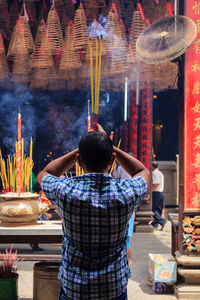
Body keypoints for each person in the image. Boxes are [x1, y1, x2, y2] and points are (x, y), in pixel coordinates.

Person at [37, 124, 150, 300]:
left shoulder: (66, 191)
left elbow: (46, 173)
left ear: (80, 161)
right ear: (112, 160)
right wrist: (111, 148)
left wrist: (82, 149)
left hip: (75, 289)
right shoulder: (125, 193)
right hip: (113, 288)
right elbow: (142, 171)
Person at [113, 155, 135, 266]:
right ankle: (129, 260)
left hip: (122, 208)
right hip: (129, 206)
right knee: (126, 239)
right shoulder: (133, 169)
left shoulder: (121, 168)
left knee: (123, 240)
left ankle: (126, 259)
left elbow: (114, 175)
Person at [151, 161, 167, 230]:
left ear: (152, 166)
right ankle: (155, 224)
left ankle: (162, 221)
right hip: (160, 192)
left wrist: (150, 190)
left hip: (156, 193)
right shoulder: (160, 173)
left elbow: (156, 183)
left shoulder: (154, 173)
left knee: (154, 209)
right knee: (158, 209)